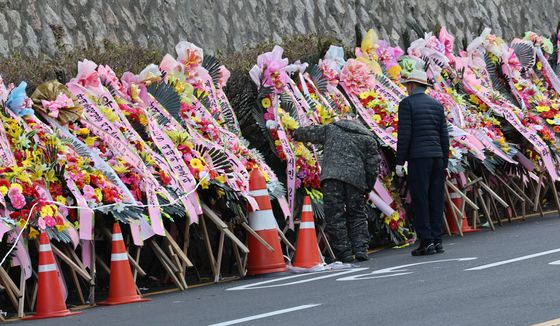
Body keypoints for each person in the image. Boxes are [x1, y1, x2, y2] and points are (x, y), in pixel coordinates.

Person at [293, 119, 380, 263]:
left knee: (335, 215)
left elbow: (309, 133)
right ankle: (360, 249)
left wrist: (294, 133)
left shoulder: (332, 129)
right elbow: (372, 167)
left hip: (331, 178)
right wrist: (368, 187)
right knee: (357, 214)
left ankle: (344, 253)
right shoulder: (368, 139)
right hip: (355, 180)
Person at [396, 67, 450, 256]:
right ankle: (437, 240)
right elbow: (444, 135)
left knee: (421, 199)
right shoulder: (436, 105)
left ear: (411, 85)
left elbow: (405, 135)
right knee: (436, 198)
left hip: (419, 158)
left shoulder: (406, 104)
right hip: (436, 156)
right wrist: (444, 160)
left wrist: (399, 161)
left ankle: (426, 241)